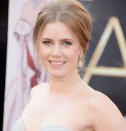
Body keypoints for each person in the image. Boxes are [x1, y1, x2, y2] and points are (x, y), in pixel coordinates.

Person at [12, 0, 126, 131]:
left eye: (66, 43)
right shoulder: (36, 92)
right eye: (47, 42)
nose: (56, 53)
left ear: (82, 47)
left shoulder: (97, 105)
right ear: (38, 44)